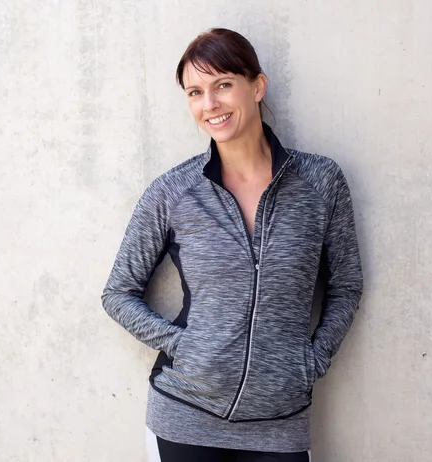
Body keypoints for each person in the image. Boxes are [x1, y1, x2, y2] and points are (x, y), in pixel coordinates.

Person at [101, 28, 363, 462]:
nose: (210, 105)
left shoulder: (320, 183)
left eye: (223, 85)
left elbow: (347, 285)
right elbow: (118, 293)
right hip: (185, 415)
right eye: (195, 92)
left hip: (280, 423)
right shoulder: (174, 192)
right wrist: (185, 346)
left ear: (256, 87)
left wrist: (311, 360)